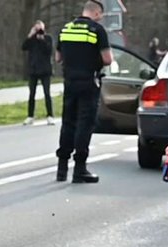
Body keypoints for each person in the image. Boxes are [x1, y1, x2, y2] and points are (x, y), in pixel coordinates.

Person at [55, 0, 113, 184]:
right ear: (96, 13)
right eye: (101, 15)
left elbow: (58, 57)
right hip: (89, 82)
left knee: (68, 123)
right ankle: (80, 169)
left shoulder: (66, 28)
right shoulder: (97, 30)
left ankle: (62, 169)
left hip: (69, 82)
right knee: (84, 124)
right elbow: (107, 59)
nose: (101, 18)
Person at [22, 20, 55, 125]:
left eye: (40, 28)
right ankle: (30, 116)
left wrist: (42, 40)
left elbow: (49, 51)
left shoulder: (48, 38)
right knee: (32, 94)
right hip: (33, 70)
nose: (39, 31)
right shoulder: (32, 40)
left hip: (45, 70)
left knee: (47, 93)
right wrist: (30, 36)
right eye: (37, 29)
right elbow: (24, 47)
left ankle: (50, 115)